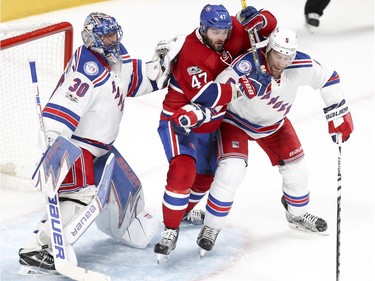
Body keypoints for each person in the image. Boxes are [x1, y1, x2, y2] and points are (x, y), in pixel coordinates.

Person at [18, 12, 169, 274]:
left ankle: (127, 228)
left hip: (102, 148)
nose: (113, 40)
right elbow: (59, 112)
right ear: (93, 39)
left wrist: (161, 69)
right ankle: (36, 247)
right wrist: (54, 142)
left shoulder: (113, 57)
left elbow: (133, 79)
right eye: (107, 36)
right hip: (79, 148)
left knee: (130, 193)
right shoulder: (86, 72)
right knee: (81, 198)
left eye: (114, 34)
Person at [196, 26, 354, 254]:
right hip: (236, 121)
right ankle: (210, 227)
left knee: (297, 170)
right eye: (277, 56)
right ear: (268, 49)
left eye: (287, 57)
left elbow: (329, 77)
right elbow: (216, 88)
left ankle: (297, 215)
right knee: (232, 171)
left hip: (274, 124)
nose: (281, 62)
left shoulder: (300, 64)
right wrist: (241, 88)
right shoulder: (247, 63)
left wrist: (337, 111)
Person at [152, 4, 277, 262]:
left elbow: (272, 28)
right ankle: (170, 231)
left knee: (206, 177)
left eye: (224, 31)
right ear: (202, 28)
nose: (221, 37)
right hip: (181, 118)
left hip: (213, 121)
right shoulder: (190, 52)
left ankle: (181, 212)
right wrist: (244, 88)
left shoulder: (232, 30)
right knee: (183, 169)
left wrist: (259, 20)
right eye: (215, 32)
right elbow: (206, 95)